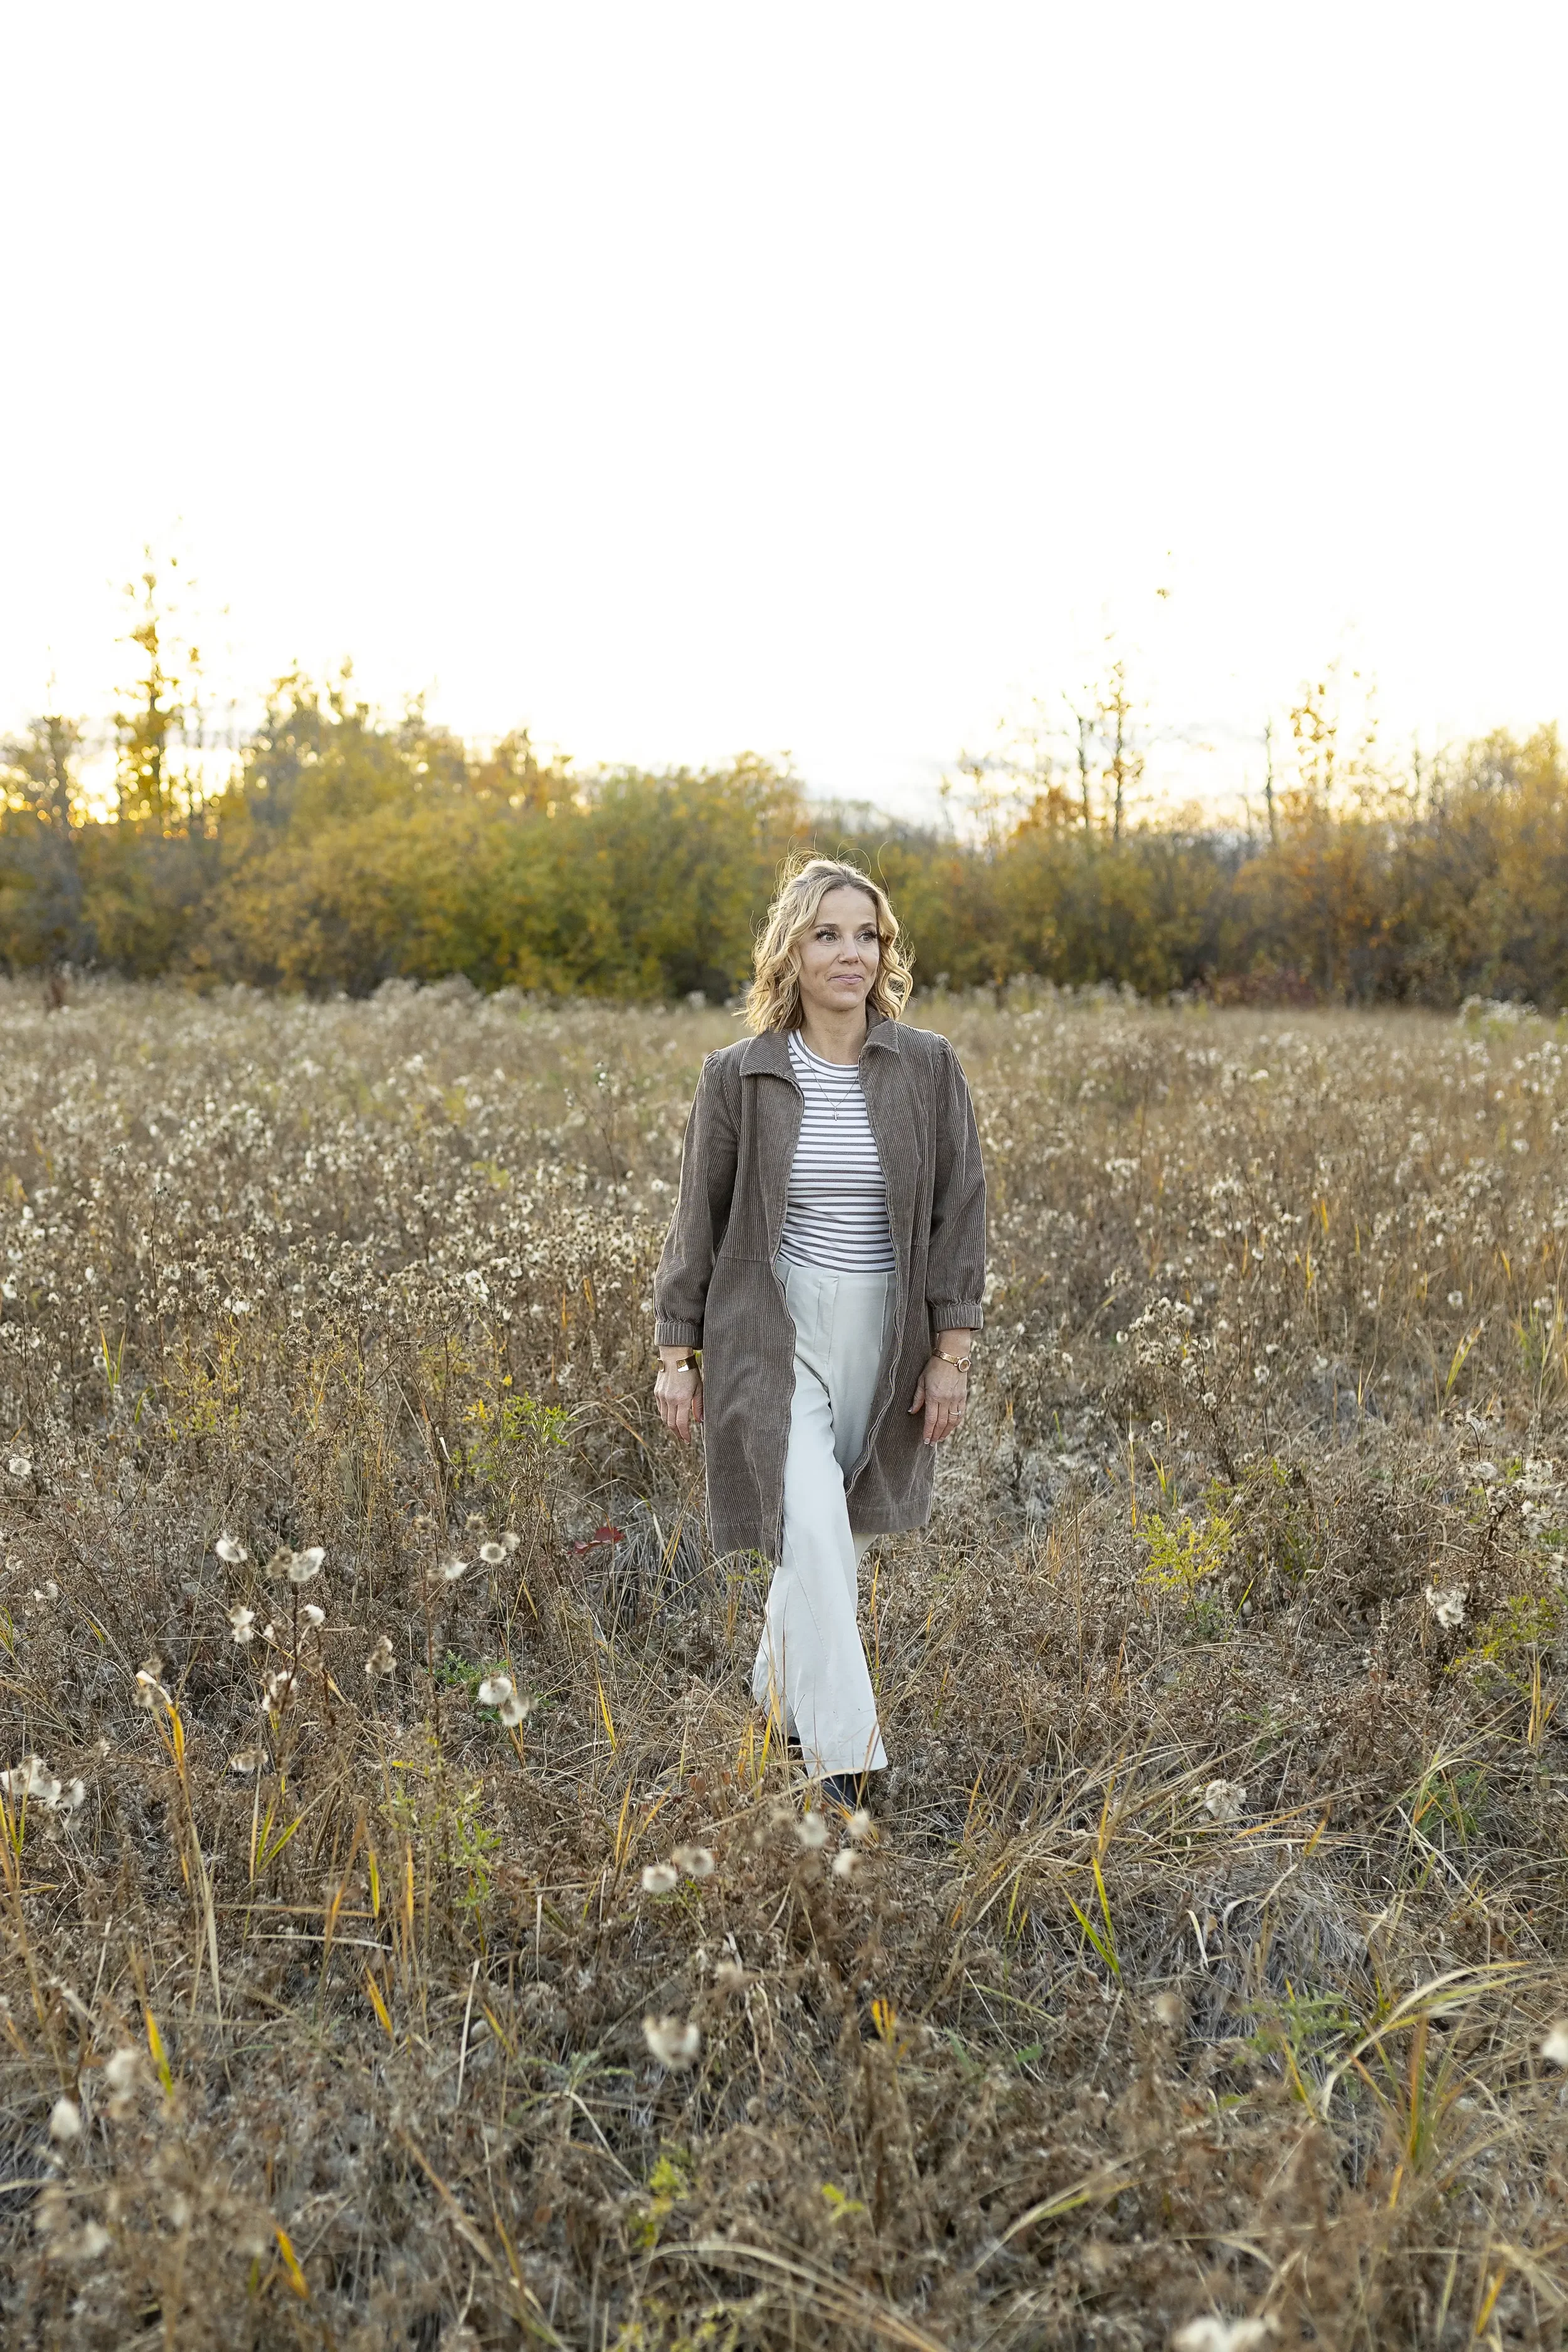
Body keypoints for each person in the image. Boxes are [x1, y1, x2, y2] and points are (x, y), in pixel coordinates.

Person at [652, 857, 987, 1808]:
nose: (851, 953)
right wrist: (678, 1351)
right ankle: (842, 1763)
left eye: (867, 934)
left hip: (886, 1330)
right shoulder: (740, 1075)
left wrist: (950, 1350)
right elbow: (697, 1219)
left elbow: (961, 1212)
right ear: (790, 951)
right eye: (827, 934)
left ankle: (771, 1694)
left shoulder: (927, 1067)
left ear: (886, 951)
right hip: (771, 1328)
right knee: (808, 1514)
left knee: (826, 1535)